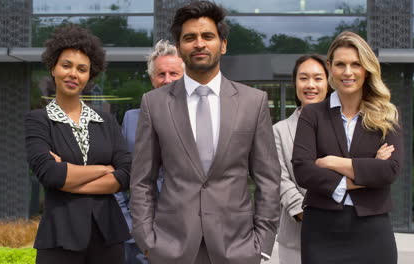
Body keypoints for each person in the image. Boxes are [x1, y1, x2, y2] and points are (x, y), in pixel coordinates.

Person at [129, 2, 281, 264]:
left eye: (207, 36)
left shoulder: (253, 102)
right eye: (189, 38)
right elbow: (142, 180)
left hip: (238, 249)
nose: (199, 44)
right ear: (179, 47)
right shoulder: (153, 104)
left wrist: (262, 244)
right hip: (171, 249)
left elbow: (268, 179)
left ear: (222, 44)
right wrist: (148, 241)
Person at [292, 31, 403, 264]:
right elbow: (303, 171)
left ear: (367, 69)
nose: (348, 72)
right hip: (321, 231)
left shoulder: (386, 114)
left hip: (373, 231)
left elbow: (389, 170)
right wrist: (367, 170)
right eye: (340, 64)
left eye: (356, 64)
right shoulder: (312, 114)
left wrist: (332, 162)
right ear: (330, 67)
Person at [25, 24, 131, 264]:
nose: (73, 73)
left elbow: (125, 175)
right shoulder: (39, 120)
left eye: (82, 69)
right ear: (53, 68)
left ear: (89, 76)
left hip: (108, 236)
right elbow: (51, 174)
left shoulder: (106, 120)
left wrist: (68, 179)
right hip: (59, 236)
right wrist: (104, 170)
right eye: (66, 65)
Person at [115, 39, 184, 264]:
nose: (167, 80)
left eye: (174, 73)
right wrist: (131, 226)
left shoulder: (201, 120)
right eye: (161, 74)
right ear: (152, 78)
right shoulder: (131, 119)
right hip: (139, 240)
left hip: (186, 236)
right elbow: (118, 178)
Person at [273, 54, 330, 264]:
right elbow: (279, 178)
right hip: (296, 237)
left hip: (340, 233)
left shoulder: (343, 125)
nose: (311, 85)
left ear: (328, 82)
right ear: (295, 83)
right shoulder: (279, 131)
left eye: (318, 78)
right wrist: (303, 212)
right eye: (303, 78)